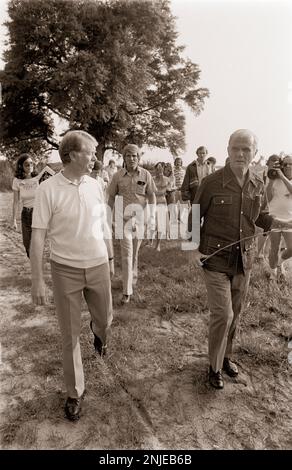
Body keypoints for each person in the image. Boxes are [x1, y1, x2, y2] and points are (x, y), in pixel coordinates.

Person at [192, 129, 292, 390]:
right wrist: (194, 249)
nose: (240, 153)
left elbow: (261, 218)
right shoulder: (211, 182)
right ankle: (213, 367)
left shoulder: (258, 183)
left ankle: (226, 357)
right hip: (214, 259)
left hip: (243, 260)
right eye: (235, 148)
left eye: (246, 149)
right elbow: (193, 215)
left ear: (254, 153)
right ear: (227, 150)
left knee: (235, 313)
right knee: (223, 314)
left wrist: (286, 222)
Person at [30, 130, 114, 421]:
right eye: (90, 153)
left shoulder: (95, 185)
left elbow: (103, 222)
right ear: (72, 155)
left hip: (98, 264)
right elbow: (38, 237)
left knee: (105, 321)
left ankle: (99, 332)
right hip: (64, 268)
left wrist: (111, 254)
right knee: (69, 336)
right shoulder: (47, 190)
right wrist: (37, 279)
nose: (95, 158)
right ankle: (74, 392)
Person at [108, 144, 156, 304]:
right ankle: (126, 291)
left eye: (134, 156)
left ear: (138, 158)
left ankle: (132, 278)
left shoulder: (146, 174)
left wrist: (152, 216)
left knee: (134, 254)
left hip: (140, 220)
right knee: (126, 255)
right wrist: (108, 218)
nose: (131, 158)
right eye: (128, 156)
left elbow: (151, 196)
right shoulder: (117, 176)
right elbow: (110, 198)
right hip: (123, 220)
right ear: (124, 158)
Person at [266, 154, 292, 280]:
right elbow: (268, 199)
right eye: (285, 164)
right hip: (274, 218)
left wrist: (282, 177)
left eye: (290, 164)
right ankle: (273, 273)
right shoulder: (275, 179)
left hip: (289, 220)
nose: (288, 166)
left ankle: (279, 263)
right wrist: (271, 181)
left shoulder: (283, 177)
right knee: (274, 247)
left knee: (291, 248)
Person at [12, 154, 38, 257]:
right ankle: (33, 262)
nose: (30, 166)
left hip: (38, 213)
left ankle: (36, 269)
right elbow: (15, 201)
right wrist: (14, 220)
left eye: (31, 163)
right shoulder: (17, 181)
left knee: (36, 244)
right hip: (26, 214)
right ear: (21, 167)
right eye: (27, 164)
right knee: (27, 245)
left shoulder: (38, 178)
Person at [181, 146, 212, 236]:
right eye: (200, 153)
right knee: (196, 214)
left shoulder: (210, 165)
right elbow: (186, 180)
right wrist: (185, 193)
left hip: (208, 193)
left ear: (206, 154)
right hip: (196, 193)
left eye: (203, 153)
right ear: (197, 154)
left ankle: (206, 234)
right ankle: (195, 234)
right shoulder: (191, 166)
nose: (202, 155)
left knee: (208, 214)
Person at [153, 162, 171, 250]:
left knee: (160, 224)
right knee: (152, 224)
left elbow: (168, 190)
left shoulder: (167, 180)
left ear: (163, 170)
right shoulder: (151, 179)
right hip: (152, 203)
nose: (159, 171)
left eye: (161, 169)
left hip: (161, 203)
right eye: (157, 169)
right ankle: (150, 241)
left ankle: (158, 245)